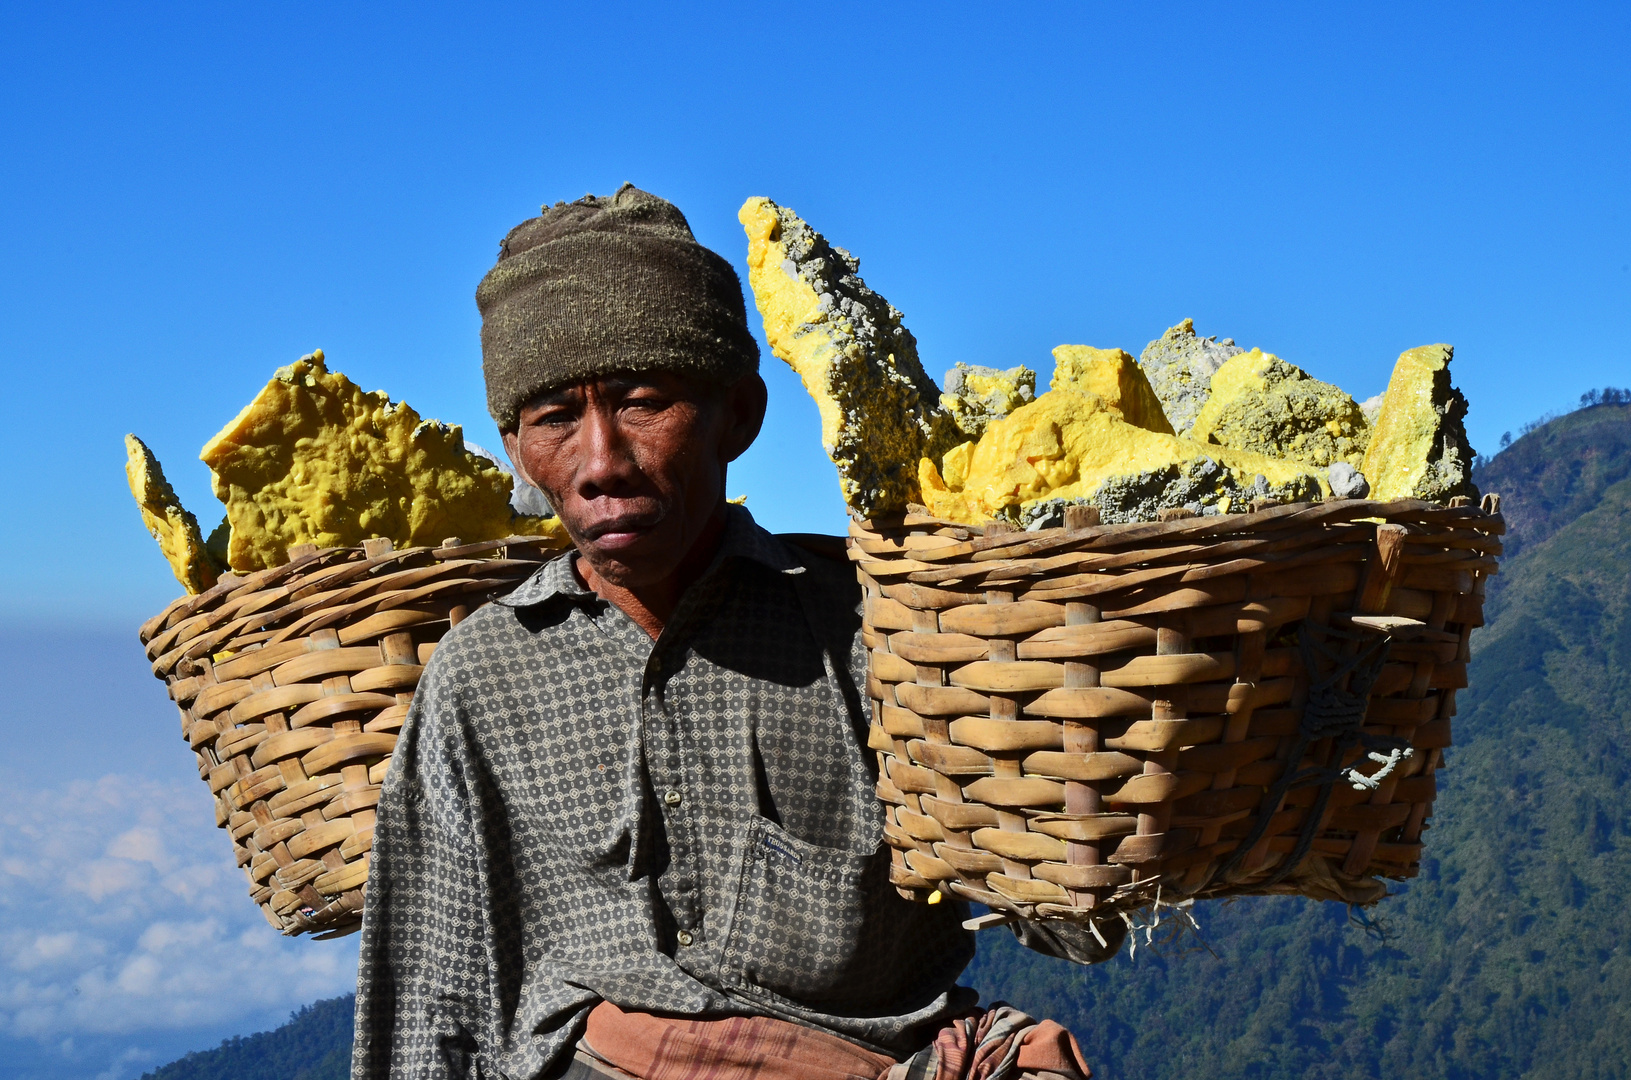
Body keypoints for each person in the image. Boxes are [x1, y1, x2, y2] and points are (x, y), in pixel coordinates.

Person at [352, 185, 1121, 1080]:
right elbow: (428, 1003)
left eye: (643, 402)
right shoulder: (483, 677)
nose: (601, 462)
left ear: (739, 417)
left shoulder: (875, 627)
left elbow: (1070, 915)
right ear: (519, 450)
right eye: (555, 419)